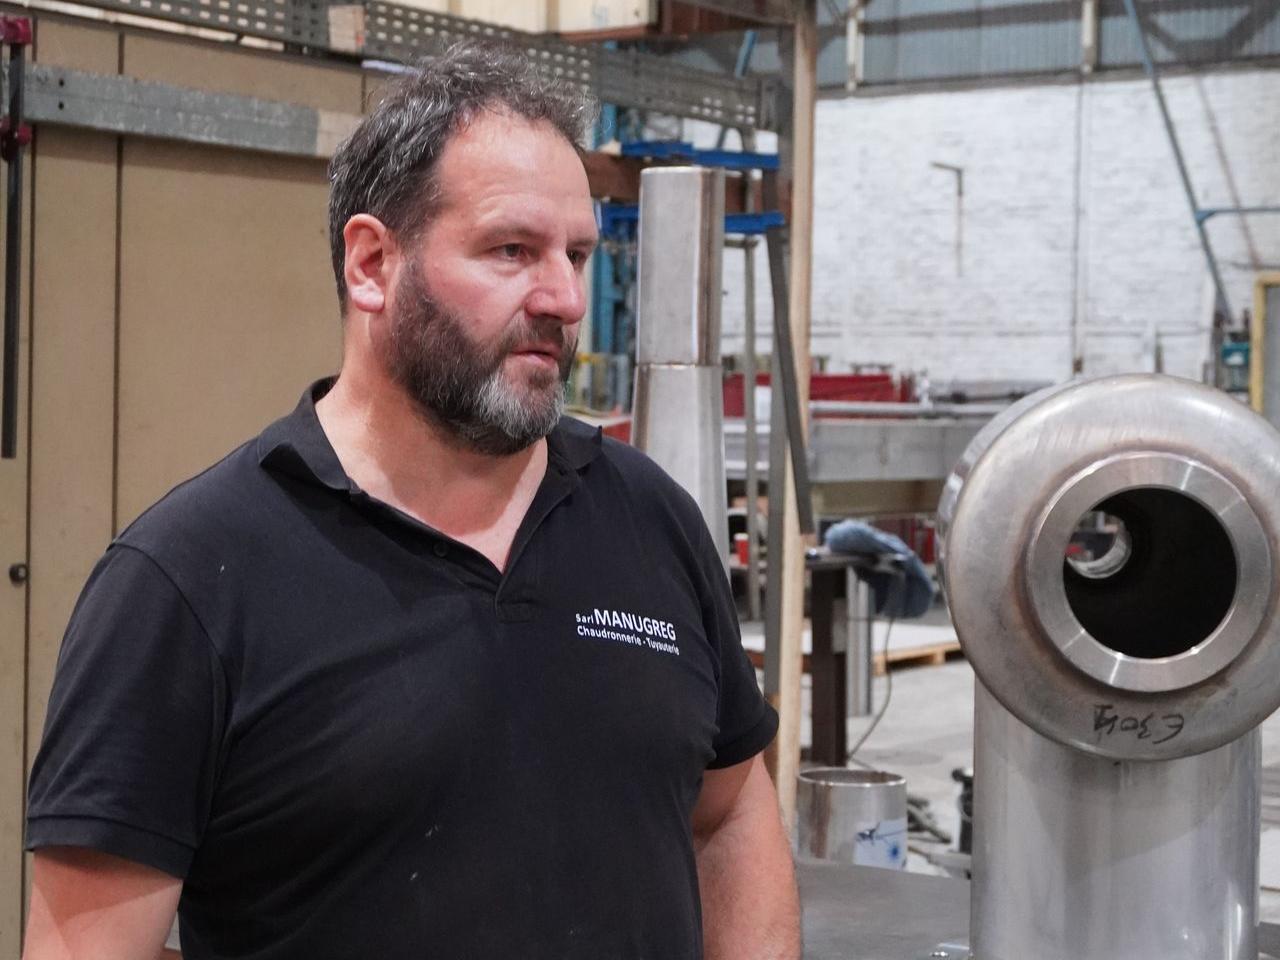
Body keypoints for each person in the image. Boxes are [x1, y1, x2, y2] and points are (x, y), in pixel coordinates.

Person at [21, 40, 800, 960]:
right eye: (513, 250)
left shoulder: (648, 518)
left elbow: (729, 811)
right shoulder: (188, 580)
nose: (564, 297)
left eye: (578, 254)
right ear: (372, 264)